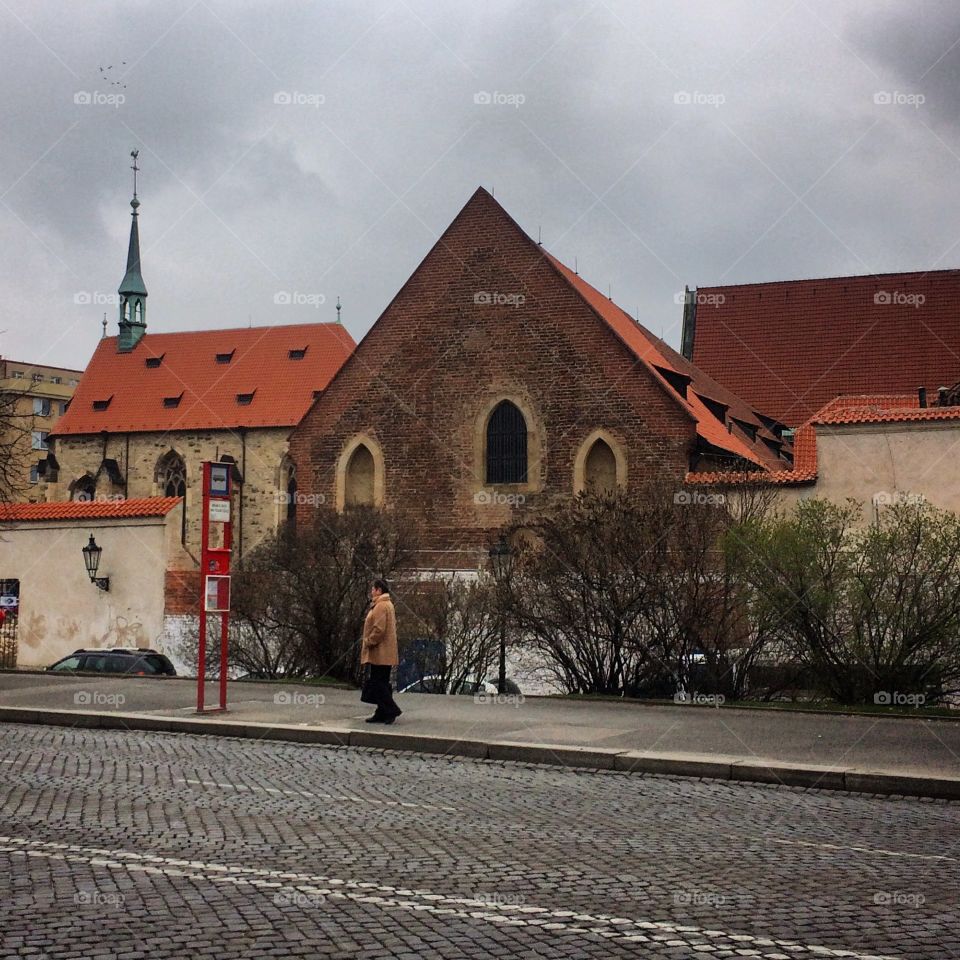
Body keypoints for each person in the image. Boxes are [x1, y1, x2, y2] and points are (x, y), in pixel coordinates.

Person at [361, 578, 402, 724]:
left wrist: (368, 641)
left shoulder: (380, 606)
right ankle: (382, 712)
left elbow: (379, 629)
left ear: (379, 590)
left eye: (373, 589)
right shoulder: (387, 604)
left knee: (378, 683)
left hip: (380, 652)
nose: (371, 592)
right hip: (385, 652)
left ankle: (391, 710)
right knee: (382, 683)